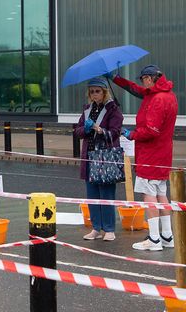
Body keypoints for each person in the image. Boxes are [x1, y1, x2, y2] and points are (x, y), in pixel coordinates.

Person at [107, 65, 178, 251]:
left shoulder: (157, 100)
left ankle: (154, 239)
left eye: (142, 79)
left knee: (149, 196)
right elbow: (136, 90)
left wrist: (131, 134)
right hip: (163, 154)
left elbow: (151, 131)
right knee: (161, 194)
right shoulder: (167, 94)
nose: (141, 83)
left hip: (150, 155)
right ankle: (167, 236)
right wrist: (116, 79)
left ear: (149, 78)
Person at [73, 77, 123, 241]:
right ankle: (96, 228)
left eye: (98, 91)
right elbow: (78, 131)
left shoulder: (113, 109)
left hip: (104, 157)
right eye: (92, 91)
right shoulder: (87, 109)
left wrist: (99, 130)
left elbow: (115, 132)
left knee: (106, 194)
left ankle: (109, 229)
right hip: (89, 156)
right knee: (92, 194)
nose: (95, 94)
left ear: (104, 92)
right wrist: (86, 129)